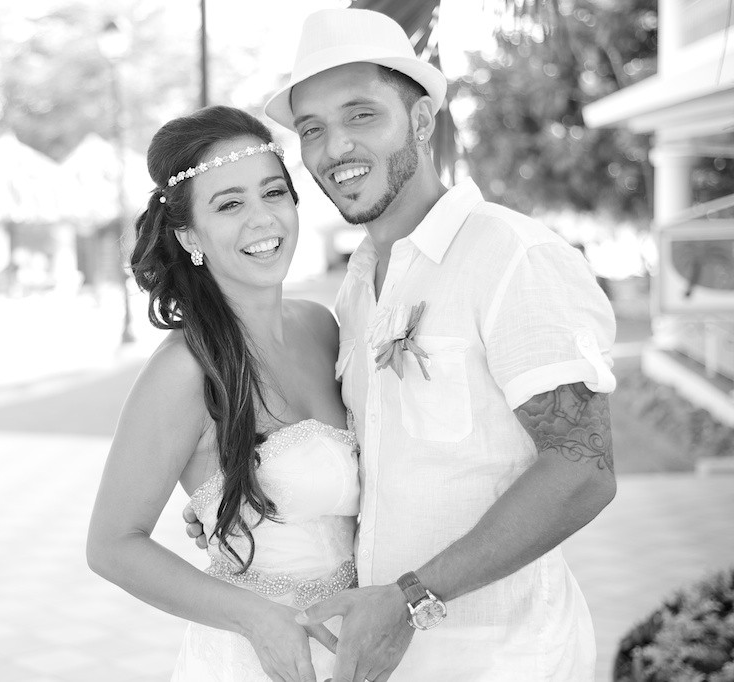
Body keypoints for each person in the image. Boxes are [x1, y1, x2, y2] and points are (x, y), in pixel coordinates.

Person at [185, 8, 618, 681]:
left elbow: (583, 468)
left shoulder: (512, 257)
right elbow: (378, 464)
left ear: (420, 120)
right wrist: (245, 506)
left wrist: (413, 599)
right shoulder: (357, 291)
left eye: (361, 115)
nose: (335, 148)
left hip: (500, 657)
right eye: (312, 129)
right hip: (374, 659)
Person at [87, 104, 361, 682]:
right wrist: (257, 620)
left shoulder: (322, 327)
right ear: (189, 234)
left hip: (361, 646)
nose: (262, 219)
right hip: (255, 658)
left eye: (273, 193)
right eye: (230, 204)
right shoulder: (186, 370)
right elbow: (112, 545)